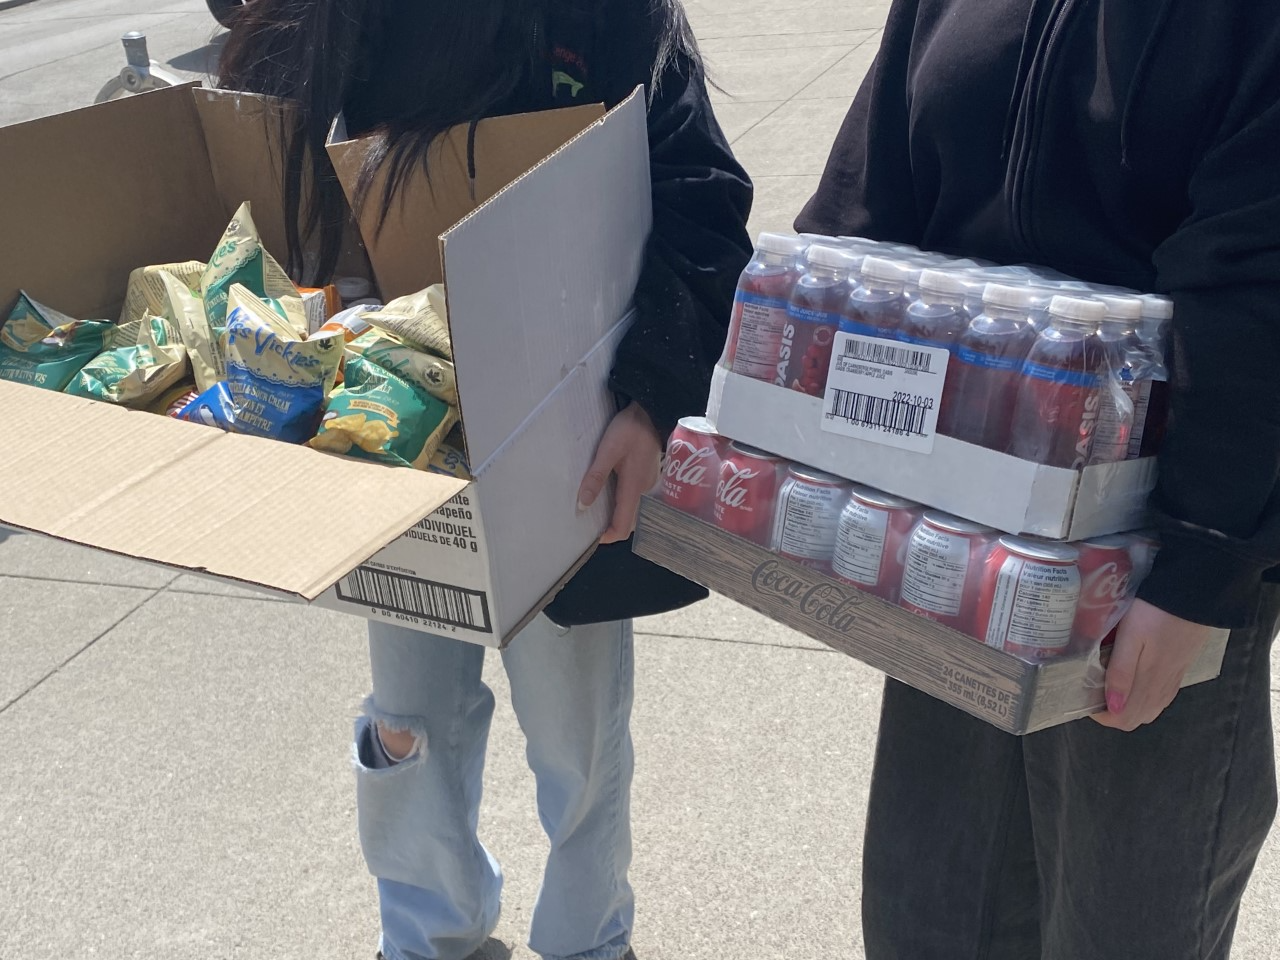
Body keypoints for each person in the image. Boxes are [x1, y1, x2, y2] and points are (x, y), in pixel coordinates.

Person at [219, 4, 752, 960]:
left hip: (575, 449)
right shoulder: (345, 20)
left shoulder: (612, 15)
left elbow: (702, 196)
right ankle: (429, 932)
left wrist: (650, 401)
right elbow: (259, 168)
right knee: (408, 720)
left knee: (577, 734)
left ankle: (590, 938)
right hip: (394, 434)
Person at [797, 2, 1280, 957]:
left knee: (1122, 925)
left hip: (1148, 552)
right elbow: (860, 206)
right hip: (954, 533)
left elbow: (1260, 275)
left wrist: (1201, 569)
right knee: (929, 914)